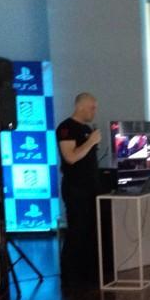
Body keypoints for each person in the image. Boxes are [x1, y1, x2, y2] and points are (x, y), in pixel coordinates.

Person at [57, 92, 101, 283]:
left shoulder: (86, 129)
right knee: (77, 230)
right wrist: (91, 142)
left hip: (90, 186)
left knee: (89, 230)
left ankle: (87, 273)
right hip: (76, 188)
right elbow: (71, 157)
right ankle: (70, 276)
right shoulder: (66, 128)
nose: (94, 111)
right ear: (80, 106)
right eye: (92, 107)